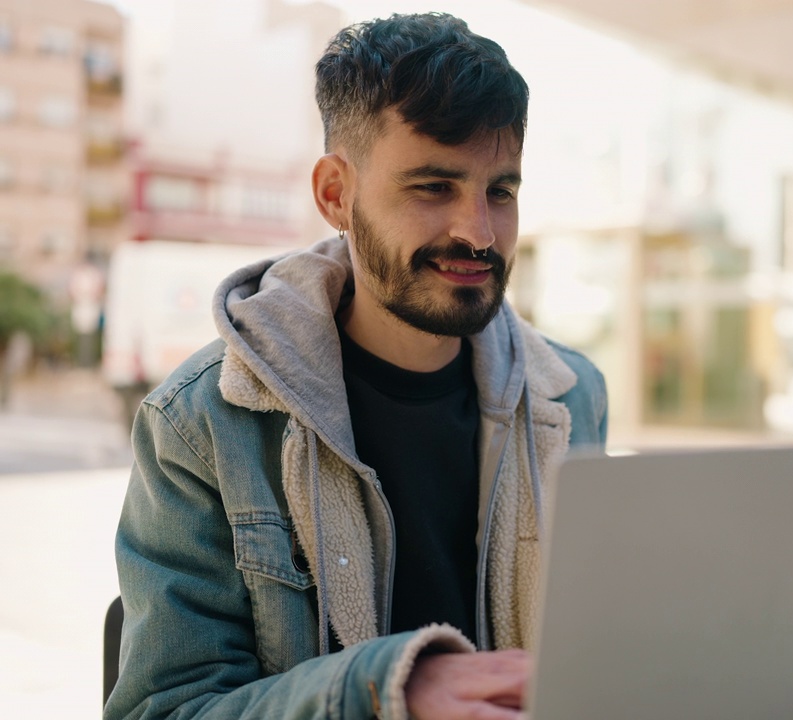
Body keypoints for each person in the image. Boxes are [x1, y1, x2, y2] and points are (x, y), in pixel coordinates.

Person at [105, 13, 608, 720]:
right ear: (336, 195)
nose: (479, 230)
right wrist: (387, 689)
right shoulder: (201, 423)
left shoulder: (573, 397)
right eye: (433, 187)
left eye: (501, 191)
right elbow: (166, 709)